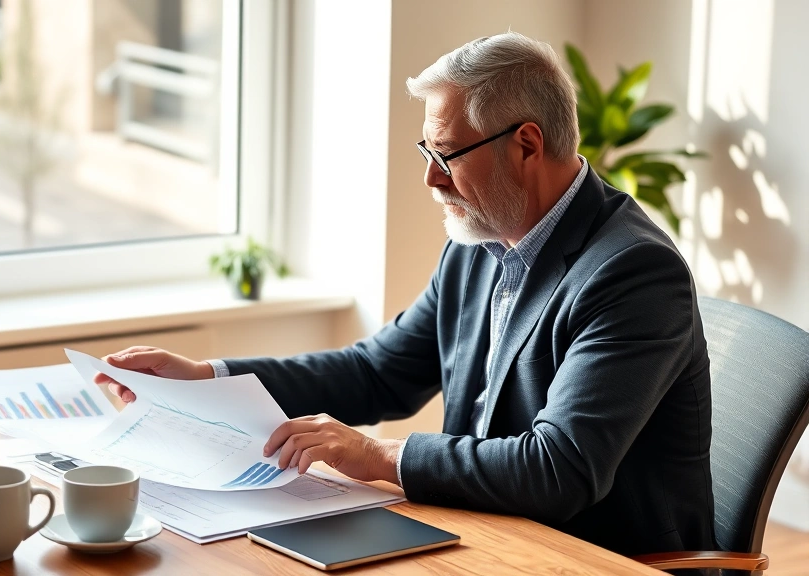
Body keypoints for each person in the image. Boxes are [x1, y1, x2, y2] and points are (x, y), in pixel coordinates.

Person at [96, 32, 714, 557]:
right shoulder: (479, 242)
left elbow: (559, 469)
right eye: (428, 150)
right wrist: (209, 377)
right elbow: (377, 372)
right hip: (484, 533)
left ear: (527, 144)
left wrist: (377, 456)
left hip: (591, 558)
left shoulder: (633, 273)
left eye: (447, 154)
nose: (430, 176)